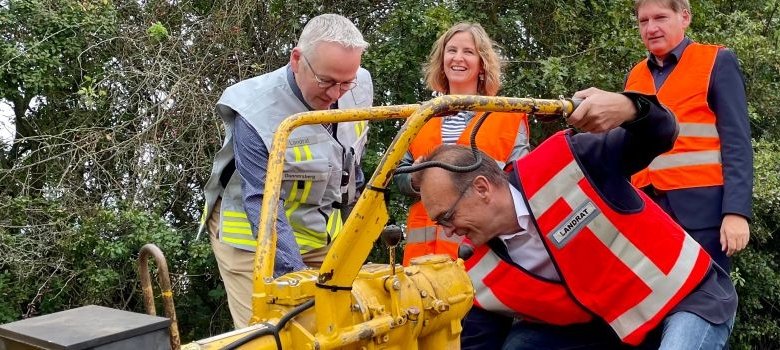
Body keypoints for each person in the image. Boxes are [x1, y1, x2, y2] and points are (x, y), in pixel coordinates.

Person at [415, 89, 736, 349]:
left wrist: (629, 106)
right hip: (608, 330)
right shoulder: (477, 270)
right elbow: (478, 342)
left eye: (447, 216)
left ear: (482, 188)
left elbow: (660, 133)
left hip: (689, 299)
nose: (449, 231)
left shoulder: (567, 162)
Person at [198, 14, 374, 328]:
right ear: (296, 59)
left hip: (320, 232)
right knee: (274, 335)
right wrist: (295, 284)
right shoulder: (256, 111)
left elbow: (352, 163)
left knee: (348, 325)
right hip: (253, 241)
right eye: (326, 81)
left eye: (345, 82)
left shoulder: (359, 86)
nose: (336, 94)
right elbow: (263, 204)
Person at [626, 0, 752, 271]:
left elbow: (737, 143)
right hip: (645, 212)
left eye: (660, 17)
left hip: (703, 215)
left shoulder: (716, 61)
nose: (651, 28)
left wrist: (736, 213)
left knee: (706, 301)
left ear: (684, 18)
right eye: (643, 21)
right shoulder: (635, 76)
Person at [394, 22, 530, 265]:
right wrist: (415, 178)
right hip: (421, 260)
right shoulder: (420, 116)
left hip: (479, 258)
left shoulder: (507, 115)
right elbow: (398, 175)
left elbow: (521, 182)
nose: (458, 58)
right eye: (451, 50)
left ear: (482, 64)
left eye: (468, 52)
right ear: (442, 60)